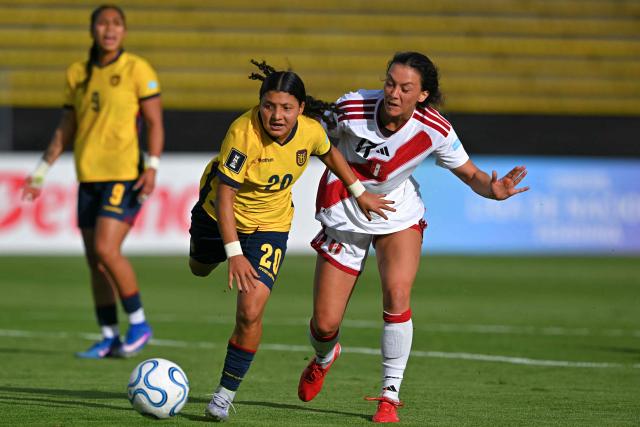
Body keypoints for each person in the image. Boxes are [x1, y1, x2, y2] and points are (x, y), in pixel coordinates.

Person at [297, 51, 529, 423]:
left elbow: (471, 174)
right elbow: (316, 142)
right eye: (390, 82)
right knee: (324, 324)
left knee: (398, 293)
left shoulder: (434, 128)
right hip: (346, 210)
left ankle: (389, 396)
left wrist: (493, 189)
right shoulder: (352, 107)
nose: (393, 93)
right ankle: (325, 356)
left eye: (406, 88)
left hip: (396, 211)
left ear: (422, 95)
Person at [188, 60, 394, 421]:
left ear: (300, 108)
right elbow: (225, 196)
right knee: (199, 269)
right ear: (259, 105)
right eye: (269, 106)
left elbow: (330, 152)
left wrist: (359, 191)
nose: (277, 115)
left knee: (250, 311)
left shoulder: (310, 132)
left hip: (269, 226)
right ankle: (217, 257)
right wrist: (234, 253)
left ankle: (224, 394)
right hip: (216, 216)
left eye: (286, 107)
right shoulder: (242, 134)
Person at [22, 4, 163, 359]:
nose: (110, 29)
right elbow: (66, 127)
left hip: (124, 175)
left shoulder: (137, 69)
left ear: (124, 32)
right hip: (89, 178)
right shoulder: (77, 74)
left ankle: (140, 322)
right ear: (93, 30)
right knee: (95, 262)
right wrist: (40, 171)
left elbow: (155, 121)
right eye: (103, 23)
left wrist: (152, 166)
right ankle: (109, 335)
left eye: (116, 24)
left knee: (105, 249)